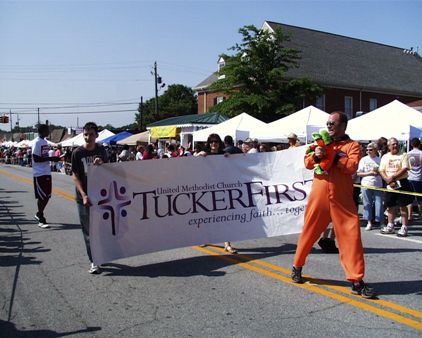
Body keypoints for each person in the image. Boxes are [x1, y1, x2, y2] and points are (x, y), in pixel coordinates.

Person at [291, 111, 376, 299]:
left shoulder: (352, 146)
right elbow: (307, 162)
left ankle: (356, 280)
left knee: (351, 237)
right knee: (309, 232)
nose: (328, 126)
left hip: (342, 199)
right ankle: (297, 266)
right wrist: (316, 156)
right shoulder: (317, 143)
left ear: (343, 125)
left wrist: (335, 155)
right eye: (328, 123)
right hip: (319, 196)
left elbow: (351, 167)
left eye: (332, 123)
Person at [71, 122, 108, 274]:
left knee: (101, 230)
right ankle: (93, 261)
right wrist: (84, 195)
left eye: (91, 134)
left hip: (100, 196)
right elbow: (75, 176)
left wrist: (102, 163)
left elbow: (109, 169)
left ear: (96, 135)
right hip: (84, 198)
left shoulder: (101, 150)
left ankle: (101, 255)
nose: (88, 137)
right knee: (88, 232)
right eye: (85, 134)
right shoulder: (77, 153)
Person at [194, 134, 237, 254]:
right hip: (207, 188)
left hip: (221, 189)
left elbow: (234, 166)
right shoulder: (204, 153)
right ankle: (204, 238)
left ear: (219, 142)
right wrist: (198, 155)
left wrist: (230, 158)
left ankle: (227, 244)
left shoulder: (223, 154)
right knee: (207, 216)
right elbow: (191, 162)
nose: (214, 144)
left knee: (224, 217)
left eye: (216, 141)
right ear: (208, 143)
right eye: (212, 142)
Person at [379, 137, 413, 237]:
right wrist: (387, 180)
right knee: (390, 206)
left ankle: (404, 227)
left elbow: (405, 168)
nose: (395, 145)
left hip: (401, 182)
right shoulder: (385, 156)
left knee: (403, 206)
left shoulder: (403, 155)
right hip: (389, 183)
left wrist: (393, 177)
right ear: (389, 146)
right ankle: (390, 225)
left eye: (396, 144)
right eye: (393, 144)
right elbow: (381, 170)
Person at [32, 124, 60, 228]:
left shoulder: (45, 142)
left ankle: (39, 213)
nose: (49, 132)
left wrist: (53, 158)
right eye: (47, 130)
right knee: (41, 196)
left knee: (47, 196)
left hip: (46, 171)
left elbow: (44, 156)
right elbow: (36, 158)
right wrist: (51, 159)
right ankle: (41, 219)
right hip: (39, 173)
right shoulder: (36, 142)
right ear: (42, 131)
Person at [357, 142, 384, 231]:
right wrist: (370, 173)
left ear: (375, 150)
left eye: (371, 150)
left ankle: (380, 222)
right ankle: (369, 222)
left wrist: (378, 173)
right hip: (366, 184)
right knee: (367, 203)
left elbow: (384, 171)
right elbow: (359, 173)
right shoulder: (363, 160)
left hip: (378, 184)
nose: (368, 151)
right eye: (367, 150)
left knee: (379, 203)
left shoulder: (379, 160)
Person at [407, 137, 422, 221]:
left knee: (410, 198)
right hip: (419, 178)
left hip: (410, 178)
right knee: (420, 199)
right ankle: (420, 215)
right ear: (419, 144)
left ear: (411, 144)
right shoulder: (421, 153)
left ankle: (410, 215)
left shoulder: (408, 154)